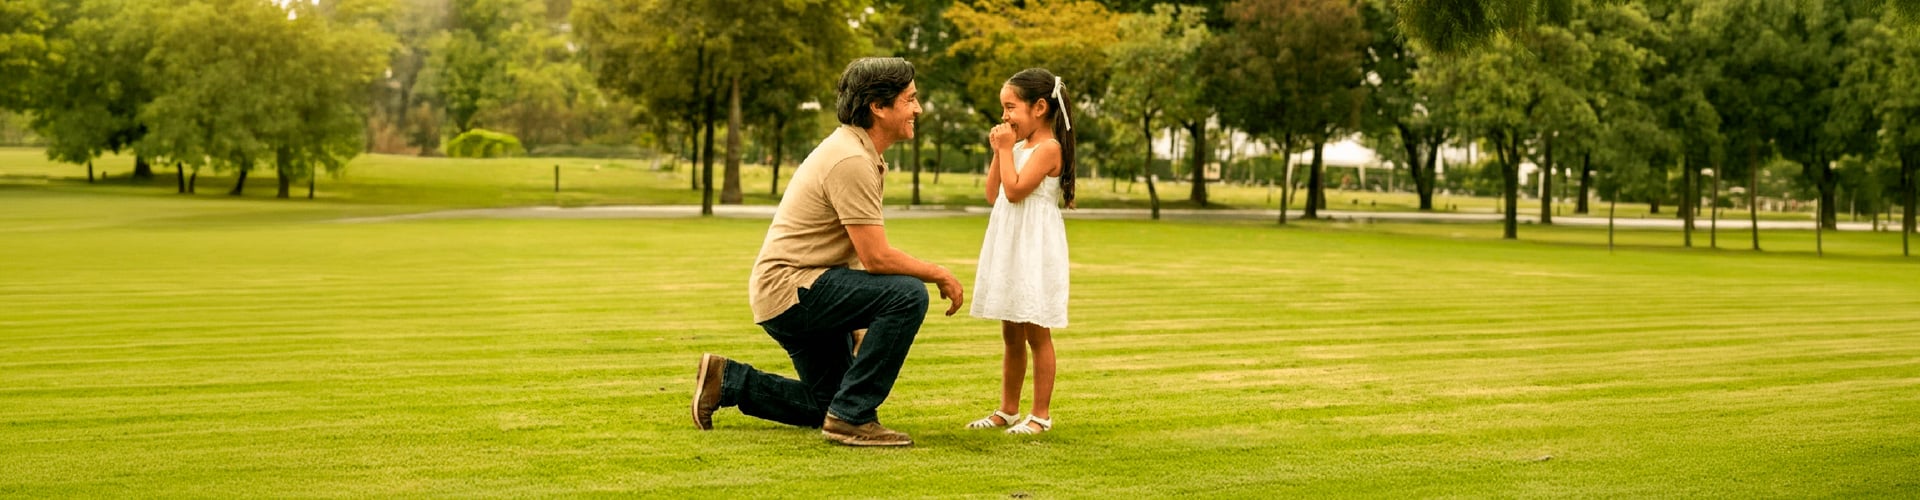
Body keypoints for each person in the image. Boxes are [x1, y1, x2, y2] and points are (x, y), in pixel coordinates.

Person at [690, 57, 965, 447]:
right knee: (907, 294)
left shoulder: (857, 152)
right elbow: (876, 258)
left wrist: (857, 318)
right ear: (878, 106)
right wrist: (938, 273)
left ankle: (728, 380)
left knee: (827, 404)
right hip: (794, 291)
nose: (918, 109)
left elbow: (849, 249)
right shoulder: (851, 159)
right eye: (910, 99)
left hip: (796, 289)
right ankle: (853, 419)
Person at [965, 68, 1075, 435]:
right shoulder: (1015, 148)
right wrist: (1001, 152)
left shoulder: (1049, 149)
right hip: (1009, 245)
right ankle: (1007, 410)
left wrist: (1003, 150)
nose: (1004, 116)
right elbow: (992, 193)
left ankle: (1040, 415)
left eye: (1010, 107)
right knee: (1011, 333)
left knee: (1036, 333)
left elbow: (1014, 191)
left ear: (1039, 107)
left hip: (1034, 248)